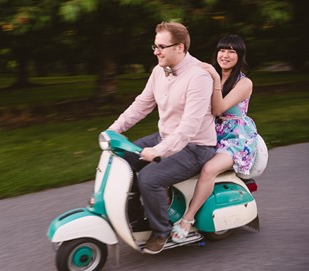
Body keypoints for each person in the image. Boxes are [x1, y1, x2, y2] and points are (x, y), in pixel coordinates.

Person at [107, 21, 217, 254]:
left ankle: (161, 231)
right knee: (120, 158)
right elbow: (142, 105)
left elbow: (189, 127)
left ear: (180, 47)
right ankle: (137, 217)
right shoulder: (159, 70)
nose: (156, 51)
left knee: (149, 178)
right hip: (165, 136)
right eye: (154, 46)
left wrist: (159, 151)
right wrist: (113, 130)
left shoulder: (198, 77)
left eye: (161, 47)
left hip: (195, 146)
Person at [171, 34, 258, 243]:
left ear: (239, 56)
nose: (225, 55)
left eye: (231, 51)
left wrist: (215, 79)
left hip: (237, 139)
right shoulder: (210, 75)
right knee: (172, 155)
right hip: (211, 131)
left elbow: (219, 109)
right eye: (222, 50)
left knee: (209, 169)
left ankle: (187, 219)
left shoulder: (244, 83)